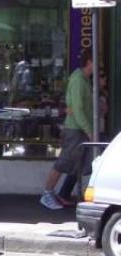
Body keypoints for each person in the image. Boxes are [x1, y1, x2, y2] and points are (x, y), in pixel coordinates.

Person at [40, 49, 94, 210]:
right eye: (97, 61)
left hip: (79, 128)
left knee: (75, 164)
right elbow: (77, 109)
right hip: (75, 129)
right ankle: (47, 193)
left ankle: (60, 194)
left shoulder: (84, 79)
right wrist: (89, 130)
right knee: (63, 162)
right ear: (90, 61)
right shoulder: (78, 80)